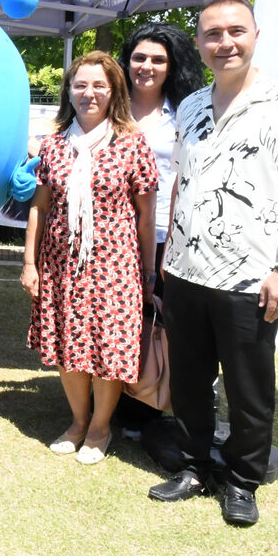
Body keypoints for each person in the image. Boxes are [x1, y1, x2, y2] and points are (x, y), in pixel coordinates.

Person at [148, 0, 278, 527]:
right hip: (185, 272)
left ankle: (243, 480)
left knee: (249, 390)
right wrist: (168, 255)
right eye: (212, 34)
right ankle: (198, 465)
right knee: (189, 382)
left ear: (255, 34)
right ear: (199, 44)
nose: (224, 43)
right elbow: (181, 180)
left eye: (235, 31)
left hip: (250, 279)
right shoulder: (193, 106)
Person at [21, 51, 159, 465]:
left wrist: (149, 272)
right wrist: (29, 263)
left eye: (99, 84)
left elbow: (146, 215)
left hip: (115, 267)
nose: (89, 93)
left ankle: (101, 429)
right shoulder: (54, 146)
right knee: (69, 346)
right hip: (60, 265)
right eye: (80, 84)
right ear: (69, 91)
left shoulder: (132, 144)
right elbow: (39, 208)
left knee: (108, 349)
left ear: (114, 90)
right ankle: (78, 422)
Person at [113, 22, 206, 435]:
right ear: (126, 61)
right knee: (114, 320)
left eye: (157, 59)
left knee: (156, 322)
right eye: (138, 57)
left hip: (169, 231)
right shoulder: (109, 103)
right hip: (111, 232)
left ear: (172, 66)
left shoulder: (188, 109)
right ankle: (109, 402)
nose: (146, 66)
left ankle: (147, 405)